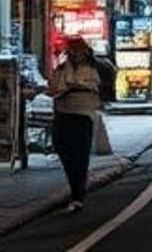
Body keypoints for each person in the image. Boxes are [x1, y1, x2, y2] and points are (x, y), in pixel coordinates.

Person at [47, 37, 104, 213]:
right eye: (71, 51)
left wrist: (76, 87)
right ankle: (75, 188)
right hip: (63, 113)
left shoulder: (95, 68)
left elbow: (97, 86)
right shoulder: (62, 68)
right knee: (65, 152)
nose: (75, 54)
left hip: (83, 114)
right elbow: (54, 88)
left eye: (78, 51)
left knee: (80, 156)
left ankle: (78, 195)